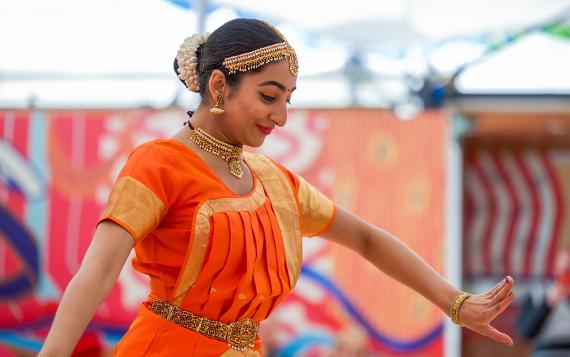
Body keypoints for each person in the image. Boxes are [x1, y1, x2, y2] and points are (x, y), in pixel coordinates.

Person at [38, 18, 516, 357]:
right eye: (269, 96)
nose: (281, 117)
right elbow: (97, 273)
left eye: (287, 100)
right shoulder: (158, 164)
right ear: (220, 85)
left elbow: (367, 239)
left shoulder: (273, 181)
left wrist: (456, 304)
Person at [516, 247, 570, 357]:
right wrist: (547, 304)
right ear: (556, 267)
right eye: (564, 267)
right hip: (545, 350)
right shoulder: (538, 292)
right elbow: (525, 332)